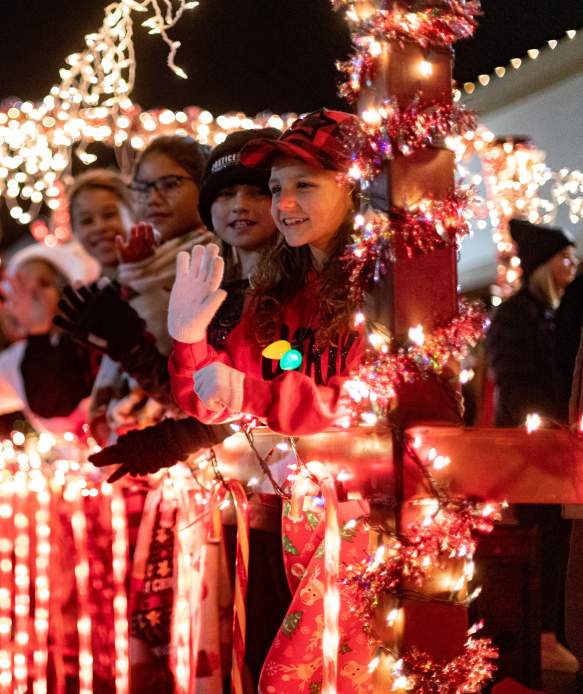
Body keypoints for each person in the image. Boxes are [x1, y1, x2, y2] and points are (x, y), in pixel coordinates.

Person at [167, 110, 378, 692]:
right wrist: (189, 346)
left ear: (353, 184)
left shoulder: (381, 287)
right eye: (277, 188)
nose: (282, 204)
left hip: (359, 528)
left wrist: (252, 394)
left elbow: (348, 405)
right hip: (270, 518)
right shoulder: (275, 291)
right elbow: (212, 396)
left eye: (302, 186)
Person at [486, 218, 579, 673]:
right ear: (543, 266)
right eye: (565, 259)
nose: (573, 266)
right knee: (542, 544)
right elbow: (517, 386)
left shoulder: (556, 315)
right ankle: (543, 638)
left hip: (557, 450)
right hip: (529, 453)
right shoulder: (514, 316)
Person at [0, 241, 100, 435]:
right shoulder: (16, 358)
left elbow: (57, 403)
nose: (33, 297)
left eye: (44, 284)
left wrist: (38, 331)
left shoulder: (90, 340)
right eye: (23, 287)